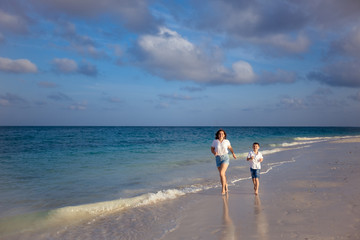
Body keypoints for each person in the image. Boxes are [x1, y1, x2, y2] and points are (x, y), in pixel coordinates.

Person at [211, 129, 237, 195]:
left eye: (222, 134)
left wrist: (233, 153)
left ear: (224, 135)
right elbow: (212, 149)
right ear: (217, 135)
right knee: (222, 175)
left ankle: (223, 189)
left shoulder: (226, 141)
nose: (221, 135)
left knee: (221, 173)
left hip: (225, 157)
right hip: (217, 158)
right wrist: (214, 153)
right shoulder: (215, 141)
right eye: (219, 134)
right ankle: (226, 185)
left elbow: (230, 147)